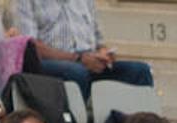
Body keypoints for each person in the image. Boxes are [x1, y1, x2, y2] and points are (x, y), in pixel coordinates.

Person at [13, 0, 154, 99]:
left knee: (140, 70)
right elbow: (30, 46)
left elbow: (99, 41)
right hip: (50, 63)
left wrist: (104, 54)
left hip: (88, 59)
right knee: (76, 72)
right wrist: (78, 59)